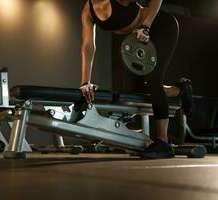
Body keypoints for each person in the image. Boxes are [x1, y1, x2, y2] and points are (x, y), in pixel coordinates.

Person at [80, 0, 193, 158]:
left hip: (160, 26)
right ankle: (180, 90)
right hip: (139, 39)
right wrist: (86, 82)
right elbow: (88, 46)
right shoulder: (88, 11)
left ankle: (163, 142)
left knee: (153, 77)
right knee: (137, 89)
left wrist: (146, 25)